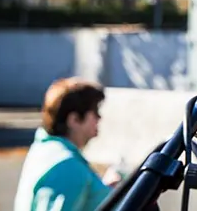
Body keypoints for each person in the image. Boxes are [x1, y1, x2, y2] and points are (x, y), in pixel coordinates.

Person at [14, 78, 120, 211]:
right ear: (74, 119)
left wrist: (102, 191)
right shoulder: (67, 165)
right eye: (95, 112)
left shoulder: (47, 150)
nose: (100, 118)